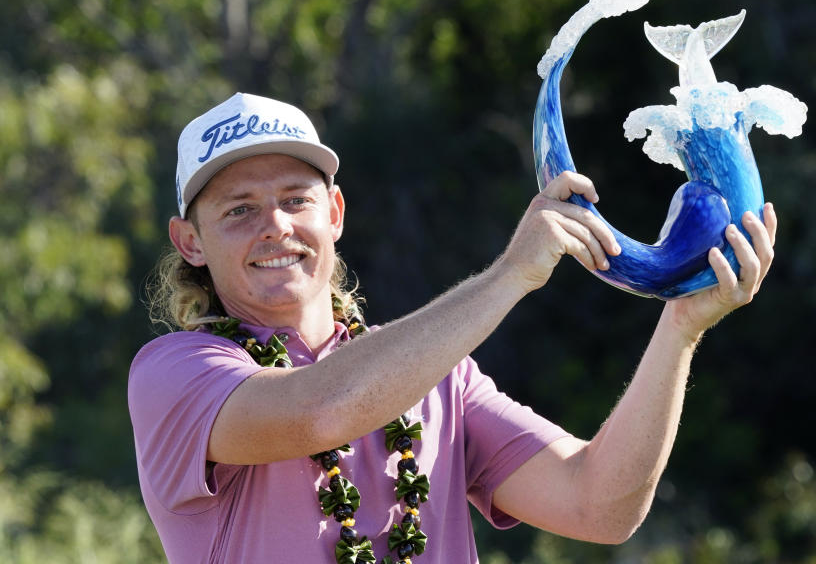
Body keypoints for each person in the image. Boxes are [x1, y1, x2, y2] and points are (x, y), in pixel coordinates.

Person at [129, 92, 777, 563]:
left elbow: (599, 505)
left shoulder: (441, 377)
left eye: (296, 199)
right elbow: (321, 410)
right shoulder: (174, 374)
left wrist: (681, 327)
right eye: (239, 209)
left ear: (334, 212)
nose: (275, 225)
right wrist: (510, 275)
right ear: (189, 241)